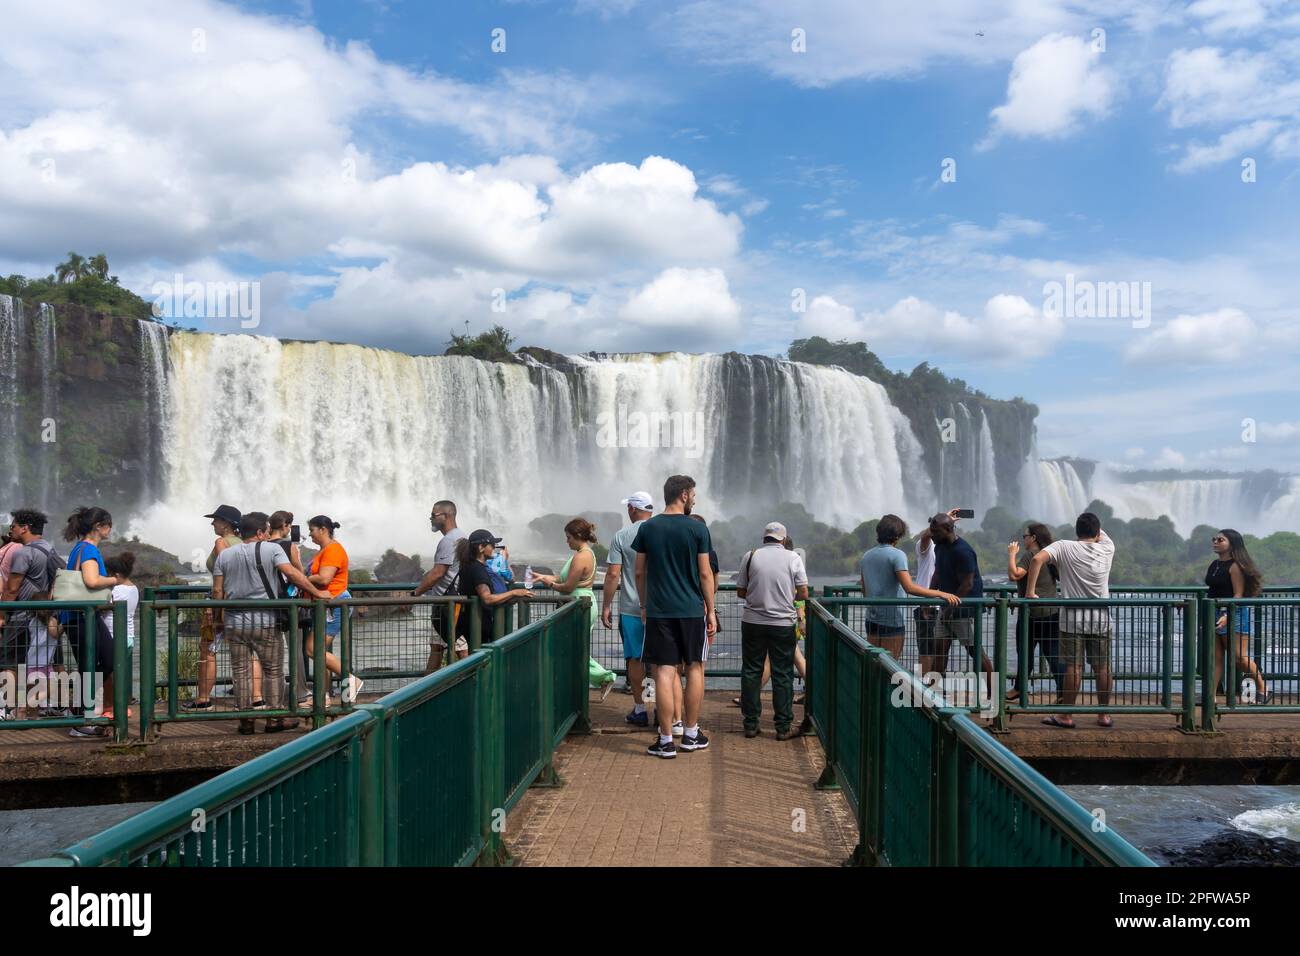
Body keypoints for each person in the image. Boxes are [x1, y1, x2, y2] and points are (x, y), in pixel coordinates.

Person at [213, 513, 329, 733]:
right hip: (266, 621)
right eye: (266, 530)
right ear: (258, 533)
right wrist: (317, 593)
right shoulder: (272, 549)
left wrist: (219, 620)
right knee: (273, 671)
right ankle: (274, 719)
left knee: (241, 671)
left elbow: (218, 590)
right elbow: (293, 575)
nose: (268, 533)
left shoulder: (224, 556)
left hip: (235, 623)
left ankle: (245, 721)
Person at [633, 475, 716, 758]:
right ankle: (691, 735)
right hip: (692, 611)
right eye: (693, 494)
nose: (694, 499)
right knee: (694, 668)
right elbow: (705, 573)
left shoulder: (648, 528)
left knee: (664, 673)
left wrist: (644, 604)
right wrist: (711, 610)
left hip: (659, 612)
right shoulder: (697, 530)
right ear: (683, 495)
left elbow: (639, 571)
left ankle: (666, 740)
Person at [1024, 511, 1116, 728]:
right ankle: (1103, 715)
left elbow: (1037, 559)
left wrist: (1030, 592)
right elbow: (1098, 532)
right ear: (1096, 531)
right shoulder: (1107, 547)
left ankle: (1066, 715)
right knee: (1102, 667)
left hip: (1072, 619)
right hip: (1101, 618)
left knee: (1073, 668)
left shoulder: (1065, 547)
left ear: (1077, 531)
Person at [735, 521, 809, 739]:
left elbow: (741, 591)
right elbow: (803, 592)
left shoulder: (750, 556)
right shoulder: (793, 557)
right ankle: (783, 727)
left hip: (753, 622)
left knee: (751, 670)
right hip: (782, 624)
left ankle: (750, 723)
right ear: (783, 540)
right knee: (783, 674)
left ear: (764, 538)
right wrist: (785, 597)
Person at [536, 518, 616, 699]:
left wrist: (550, 585)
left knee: (572, 648)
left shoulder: (581, 556)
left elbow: (568, 586)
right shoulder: (584, 553)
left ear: (578, 536)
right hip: (579, 604)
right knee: (572, 647)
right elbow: (565, 577)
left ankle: (603, 677)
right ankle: (596, 680)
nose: (567, 541)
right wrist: (544, 576)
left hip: (580, 605)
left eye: (568, 537)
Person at [859, 514, 960, 659]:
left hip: (871, 618)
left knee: (873, 662)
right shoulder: (897, 555)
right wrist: (940, 594)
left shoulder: (866, 556)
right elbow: (909, 588)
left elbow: (864, 588)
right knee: (890, 664)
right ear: (897, 536)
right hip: (893, 619)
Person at [60, 507, 122, 737]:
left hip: (86, 615)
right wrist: (114, 580)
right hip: (81, 617)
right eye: (109, 525)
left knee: (106, 659)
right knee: (90, 666)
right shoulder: (87, 550)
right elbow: (91, 580)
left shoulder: (83, 548)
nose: (111, 529)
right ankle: (79, 720)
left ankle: (81, 711)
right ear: (99, 526)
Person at [923, 512, 996, 691]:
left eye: (935, 532)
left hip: (965, 609)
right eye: (931, 531)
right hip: (947, 607)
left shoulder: (963, 551)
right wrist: (929, 598)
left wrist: (949, 610)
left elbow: (967, 584)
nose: (932, 535)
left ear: (948, 529)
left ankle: (995, 696)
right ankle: (931, 694)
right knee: (939, 651)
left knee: (975, 652)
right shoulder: (939, 546)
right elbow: (937, 574)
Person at [0, 510, 60, 721]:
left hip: (20, 615)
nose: (11, 529)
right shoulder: (50, 549)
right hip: (42, 617)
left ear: (25, 527)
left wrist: (2, 614)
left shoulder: (23, 553)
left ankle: (7, 709)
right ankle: (33, 710)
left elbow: (12, 589)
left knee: (9, 662)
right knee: (39, 665)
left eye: (14, 525)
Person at [602, 492, 654, 726]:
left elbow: (613, 574)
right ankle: (660, 708)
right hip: (661, 609)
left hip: (631, 608)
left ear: (633, 509)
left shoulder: (622, 536)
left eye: (628, 508)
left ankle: (641, 709)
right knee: (660, 661)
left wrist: (606, 606)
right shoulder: (661, 532)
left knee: (635, 659)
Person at [188, 505, 243, 712]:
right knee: (246, 651)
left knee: (207, 649)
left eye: (216, 520)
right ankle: (252, 698)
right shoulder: (246, 544)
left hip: (218, 604)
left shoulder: (221, 543)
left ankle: (203, 699)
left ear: (227, 524)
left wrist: (214, 606)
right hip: (241, 604)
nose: (213, 523)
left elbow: (226, 573)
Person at [1205, 529, 1268, 704]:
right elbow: (1212, 589)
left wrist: (1226, 614)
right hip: (1214, 611)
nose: (1215, 542)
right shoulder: (1214, 564)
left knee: (1239, 657)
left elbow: (1238, 595)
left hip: (1234, 612)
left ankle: (1263, 688)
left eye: (1220, 539)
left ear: (1232, 543)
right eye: (1214, 539)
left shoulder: (1235, 566)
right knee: (1215, 658)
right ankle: (1210, 696)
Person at [304, 515, 362, 701]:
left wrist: (299, 579)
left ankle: (351, 680)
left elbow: (324, 578)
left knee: (313, 649)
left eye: (312, 530)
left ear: (323, 529)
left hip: (334, 604)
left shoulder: (333, 550)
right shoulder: (325, 550)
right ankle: (324, 697)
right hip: (327, 605)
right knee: (319, 651)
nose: (310, 534)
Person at [1007, 523, 1063, 698]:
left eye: (1025, 536)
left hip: (1031, 614)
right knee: (1053, 654)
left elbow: (1014, 575)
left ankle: (1018, 689)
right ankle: (1063, 691)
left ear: (1033, 538)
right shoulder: (1050, 555)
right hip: (1051, 612)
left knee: (1024, 653)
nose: (1023, 539)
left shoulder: (1030, 555)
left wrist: (1011, 554)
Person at [454, 529, 532, 648]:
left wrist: (512, 598)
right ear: (481, 547)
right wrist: (514, 592)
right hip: (478, 626)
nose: (494, 548)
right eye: (492, 545)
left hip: (470, 624)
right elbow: (487, 598)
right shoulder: (478, 570)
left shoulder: (469, 565)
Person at [414, 500, 467, 672]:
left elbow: (438, 572)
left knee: (459, 648)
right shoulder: (460, 536)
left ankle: (474, 682)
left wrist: (415, 594)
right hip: (449, 602)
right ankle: (426, 690)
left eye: (433, 515)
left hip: (448, 605)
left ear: (447, 515)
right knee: (437, 647)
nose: (430, 519)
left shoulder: (449, 540)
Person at [268, 510, 310, 705]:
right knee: (296, 649)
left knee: (270, 653)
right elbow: (299, 574)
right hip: (289, 605)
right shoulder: (289, 546)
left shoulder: (261, 546)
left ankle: (270, 695)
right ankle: (300, 692)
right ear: (286, 526)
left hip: (267, 604)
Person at [97, 552, 139, 720]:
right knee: (117, 673)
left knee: (108, 673)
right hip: (128, 636)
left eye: (107, 574)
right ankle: (121, 705)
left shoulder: (116, 590)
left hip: (114, 637)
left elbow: (103, 607)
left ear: (116, 575)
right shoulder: (134, 588)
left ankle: (111, 707)